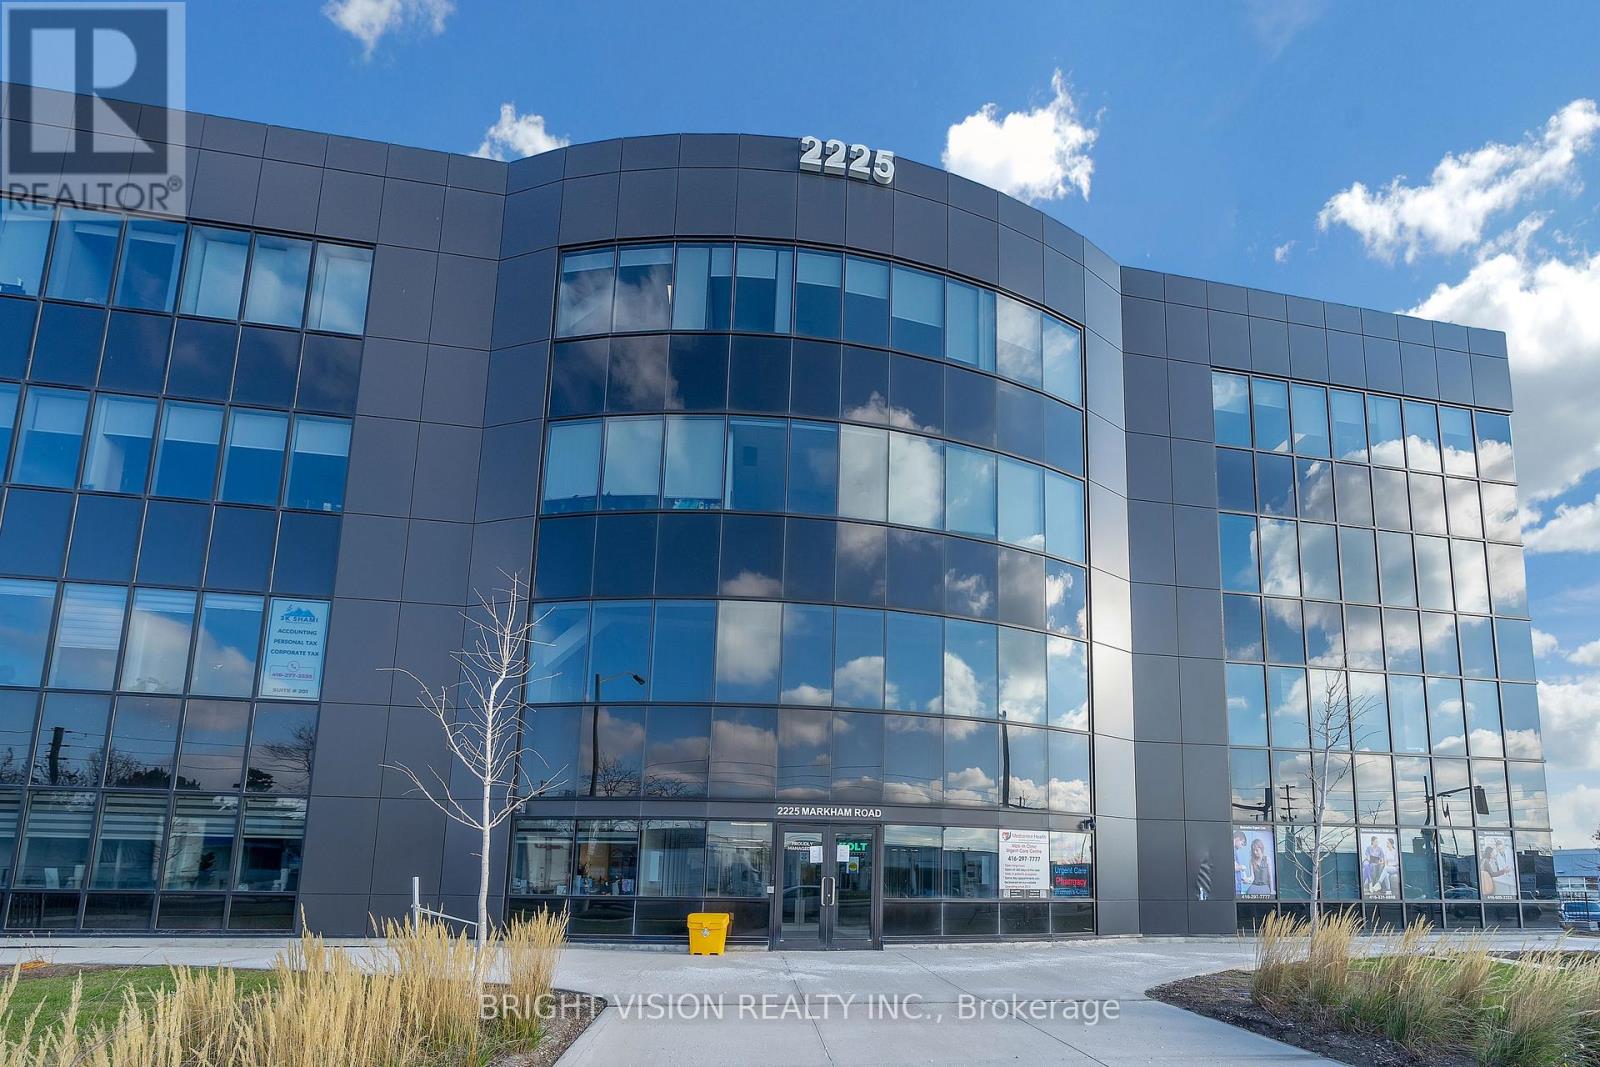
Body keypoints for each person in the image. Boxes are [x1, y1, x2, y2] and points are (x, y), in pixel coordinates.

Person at [1233, 830, 1250, 895]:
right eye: (1242, 844)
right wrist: (1242, 867)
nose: (1241, 847)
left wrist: (1244, 878)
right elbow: (1231, 867)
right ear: (1237, 839)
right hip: (1233, 889)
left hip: (1237, 887)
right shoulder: (1229, 850)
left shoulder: (1234, 851)